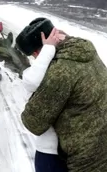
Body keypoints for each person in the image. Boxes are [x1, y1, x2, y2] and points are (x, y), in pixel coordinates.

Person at [16, 17, 107, 172]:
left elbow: (33, 122)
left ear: (38, 51)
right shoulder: (86, 52)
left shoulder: (59, 70)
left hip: (94, 163)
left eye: (34, 56)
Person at [21, 28, 68, 172]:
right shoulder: (79, 62)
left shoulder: (51, 72)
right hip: (80, 149)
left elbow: (31, 81)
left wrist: (47, 50)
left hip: (52, 151)